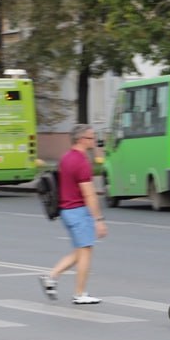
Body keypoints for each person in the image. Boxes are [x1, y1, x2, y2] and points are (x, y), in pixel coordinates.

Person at [39, 124, 107, 304]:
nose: (94, 141)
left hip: (66, 211)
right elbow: (89, 194)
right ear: (81, 139)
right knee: (85, 253)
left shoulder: (66, 158)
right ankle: (80, 293)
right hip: (78, 211)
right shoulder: (81, 162)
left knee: (80, 251)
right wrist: (99, 219)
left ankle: (51, 277)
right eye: (91, 137)